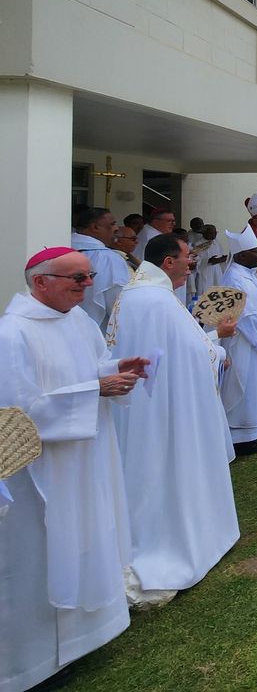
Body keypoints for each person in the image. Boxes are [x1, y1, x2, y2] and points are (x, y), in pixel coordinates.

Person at [0, 247, 146, 691]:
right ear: (40, 282)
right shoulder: (12, 334)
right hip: (40, 473)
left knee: (87, 540)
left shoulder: (79, 321)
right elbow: (17, 412)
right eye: (75, 279)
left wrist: (113, 371)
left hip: (87, 459)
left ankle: (87, 635)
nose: (86, 286)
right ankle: (30, 664)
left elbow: (83, 372)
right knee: (37, 558)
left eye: (88, 277)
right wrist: (95, 389)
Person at [106, 234, 240, 605]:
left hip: (146, 405)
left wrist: (208, 340)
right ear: (168, 262)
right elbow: (194, 353)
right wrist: (217, 342)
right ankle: (175, 542)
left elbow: (174, 348)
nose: (191, 262)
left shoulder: (134, 295)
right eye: (187, 257)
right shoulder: (157, 300)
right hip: (164, 407)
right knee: (167, 470)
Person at [218, 226, 257, 455]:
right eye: (256, 252)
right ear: (242, 254)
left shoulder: (248, 275)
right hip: (243, 343)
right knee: (241, 386)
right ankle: (240, 437)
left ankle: (252, 433)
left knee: (254, 387)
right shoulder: (233, 278)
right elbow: (244, 316)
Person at [70, 206, 130, 331]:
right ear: (95, 227)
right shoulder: (109, 259)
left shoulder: (63, 248)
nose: (117, 228)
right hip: (96, 332)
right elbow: (119, 305)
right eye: (113, 224)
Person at [193, 224, 227, 297]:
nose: (214, 235)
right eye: (212, 233)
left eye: (215, 232)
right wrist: (209, 261)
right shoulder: (198, 244)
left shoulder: (216, 242)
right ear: (204, 233)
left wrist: (222, 258)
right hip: (205, 271)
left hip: (217, 271)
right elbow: (195, 260)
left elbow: (220, 254)